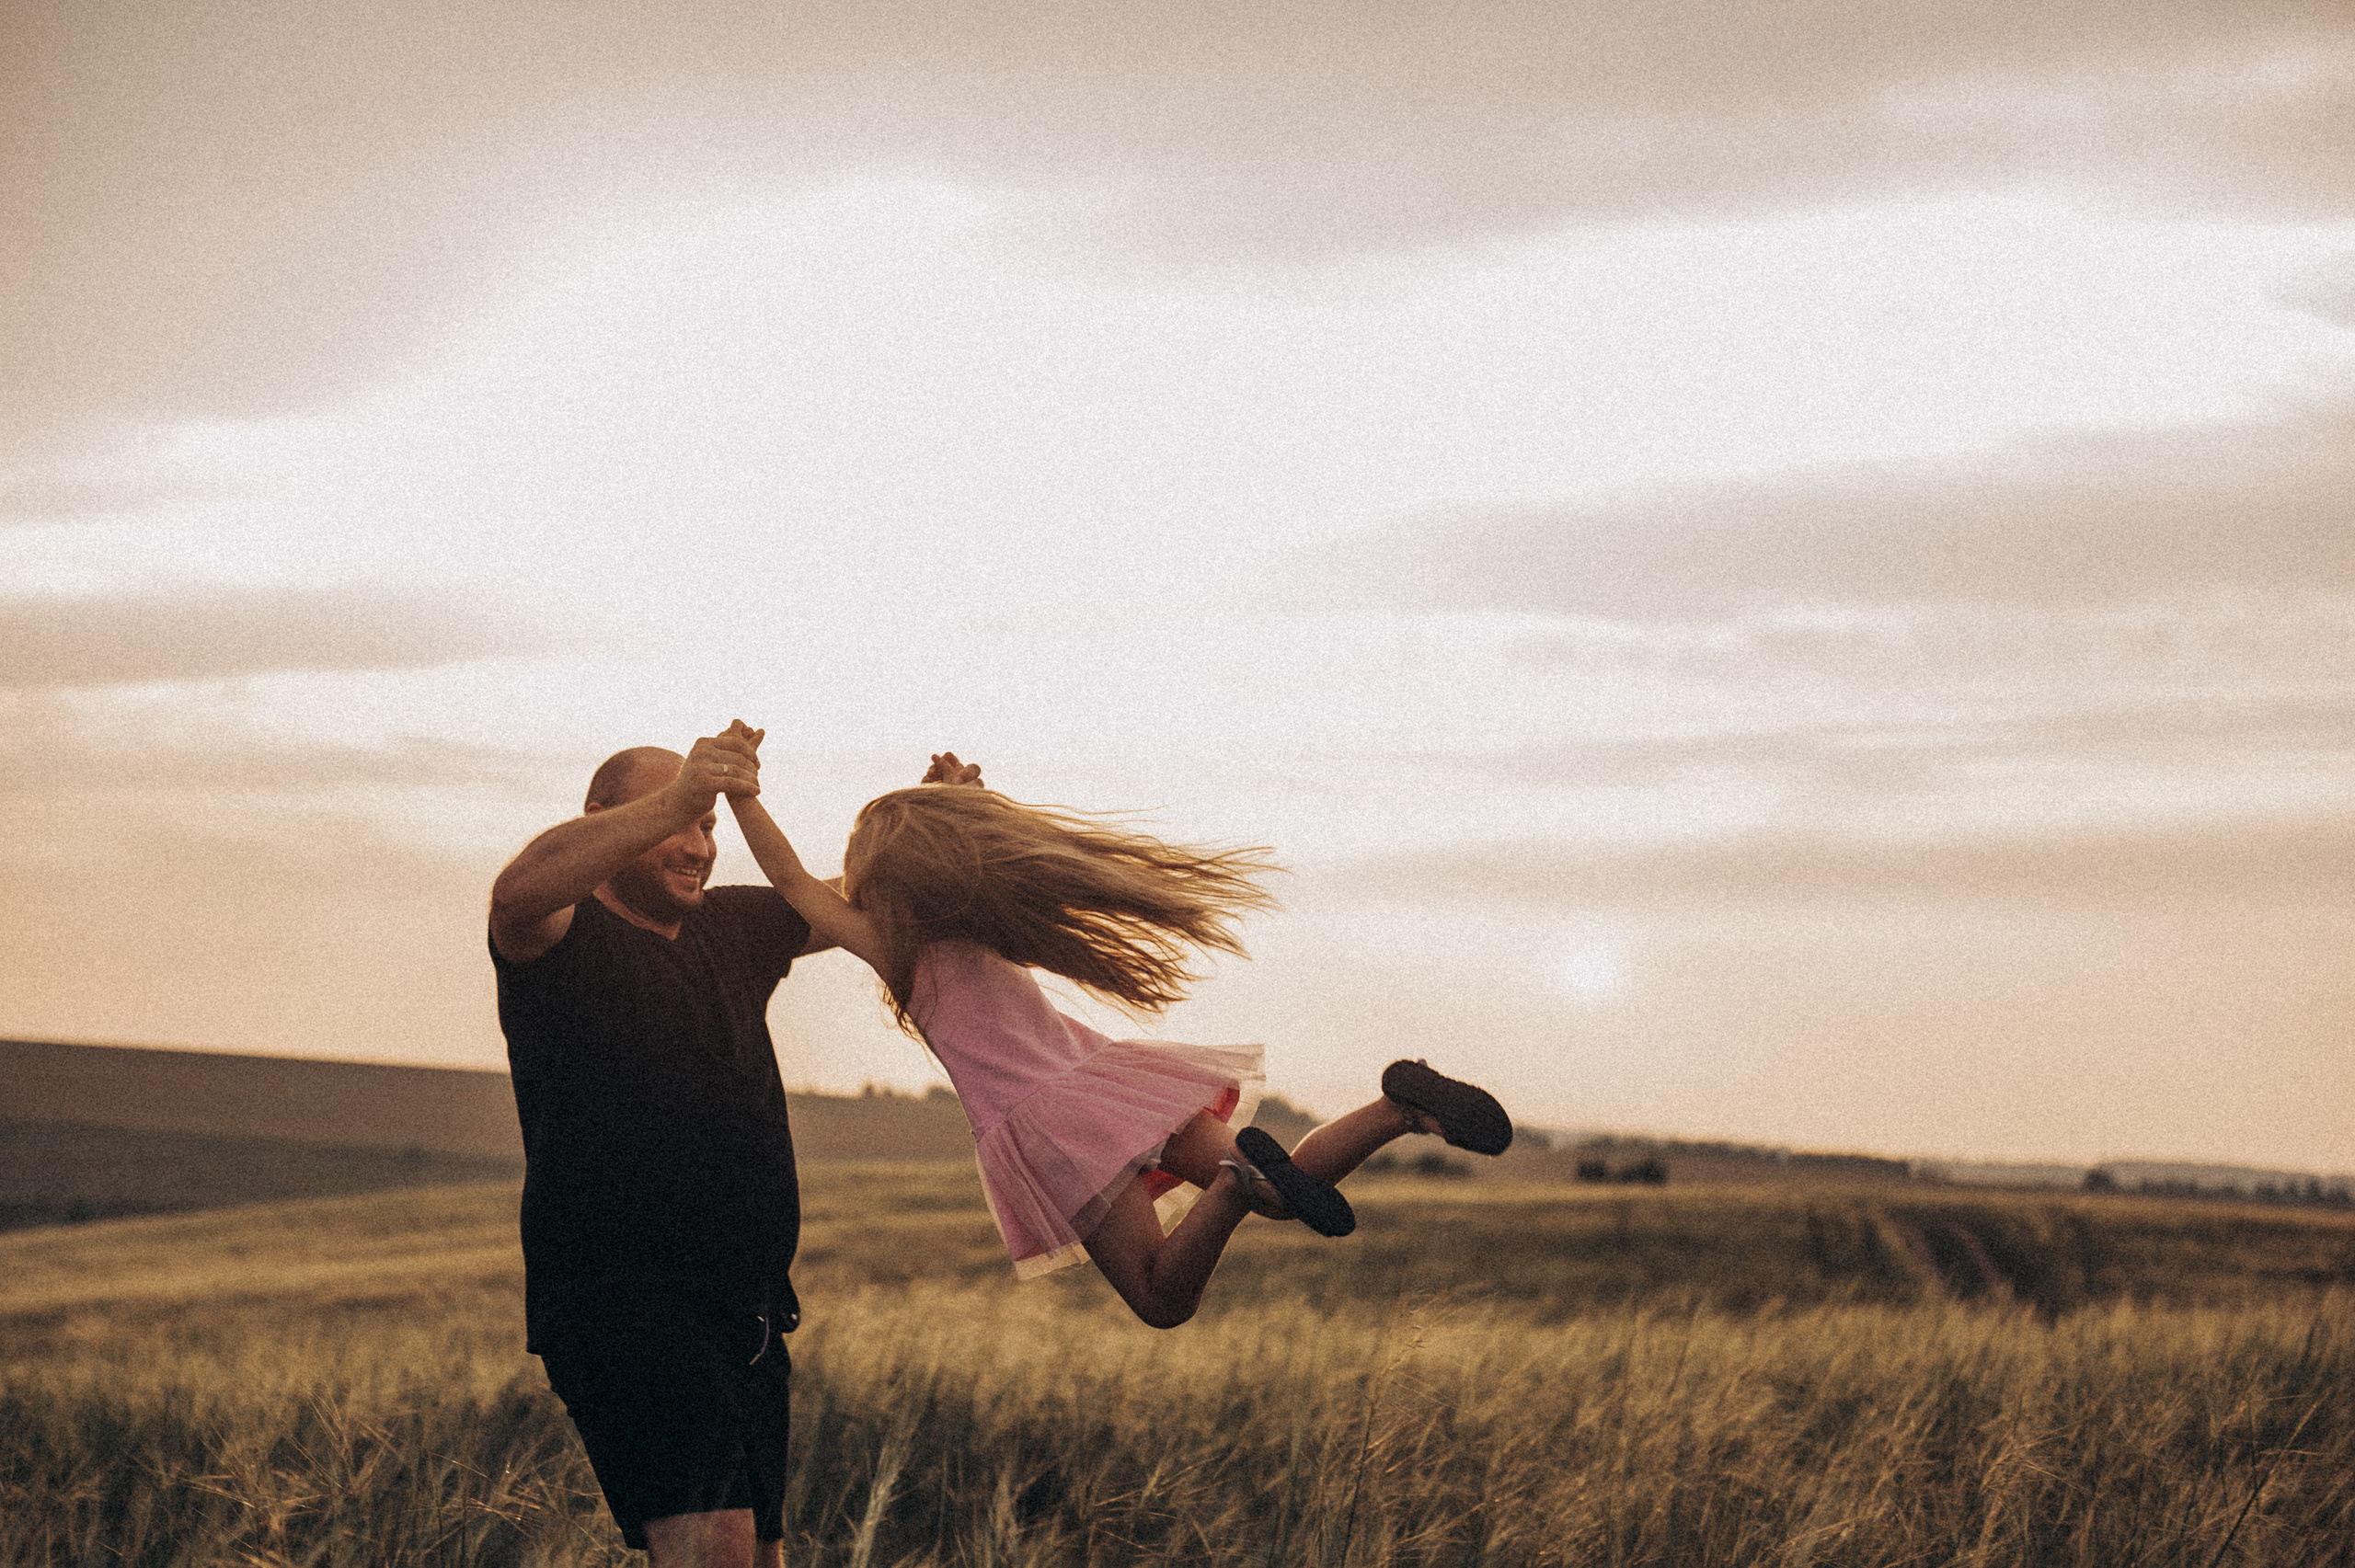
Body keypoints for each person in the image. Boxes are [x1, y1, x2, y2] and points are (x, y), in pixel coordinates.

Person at [716, 721, 1513, 1330]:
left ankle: (1236, 1187)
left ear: (878, 882)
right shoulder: (981, 913)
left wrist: (743, 792)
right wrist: (955, 800)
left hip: (1050, 1125)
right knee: (1287, 1189)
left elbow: (787, 880)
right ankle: (1401, 1108)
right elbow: (938, 849)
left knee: (1163, 1295)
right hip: (1108, 1080)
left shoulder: (896, 945)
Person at [487, 725, 978, 1568]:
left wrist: (938, 819)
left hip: (745, 1312)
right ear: (602, 818)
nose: (698, 841)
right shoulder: (558, 937)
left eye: (710, 823)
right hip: (627, 1307)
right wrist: (681, 793)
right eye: (676, 818)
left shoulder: (734, 928)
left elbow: (857, 898)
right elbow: (517, 889)